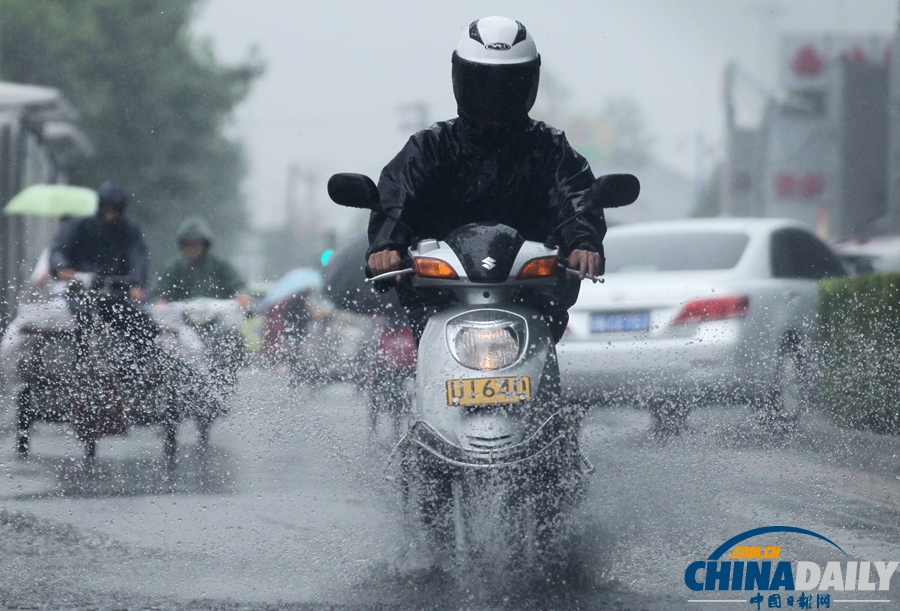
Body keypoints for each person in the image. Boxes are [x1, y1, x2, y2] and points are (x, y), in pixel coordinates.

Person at [366, 16, 605, 342]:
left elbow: (575, 196)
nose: (494, 97)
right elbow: (397, 196)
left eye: (509, 83)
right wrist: (387, 245)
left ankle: (543, 378)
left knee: (544, 344)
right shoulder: (430, 148)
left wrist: (582, 243)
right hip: (440, 297)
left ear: (528, 81)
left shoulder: (549, 149)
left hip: (532, 294)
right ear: (461, 78)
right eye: (483, 83)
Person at [51, 181, 149, 303]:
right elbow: (60, 249)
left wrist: (136, 283)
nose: (110, 213)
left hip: (118, 290)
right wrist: (61, 267)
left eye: (114, 209)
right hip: (81, 288)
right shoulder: (80, 226)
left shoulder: (129, 230)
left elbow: (137, 257)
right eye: (106, 208)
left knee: (139, 312)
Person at [154, 216, 250, 308]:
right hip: (182, 317)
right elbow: (159, 291)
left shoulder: (220, 265)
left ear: (205, 244)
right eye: (188, 244)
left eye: (196, 243)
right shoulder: (174, 268)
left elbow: (238, 285)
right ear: (182, 245)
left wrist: (242, 295)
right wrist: (160, 301)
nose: (192, 248)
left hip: (217, 316)